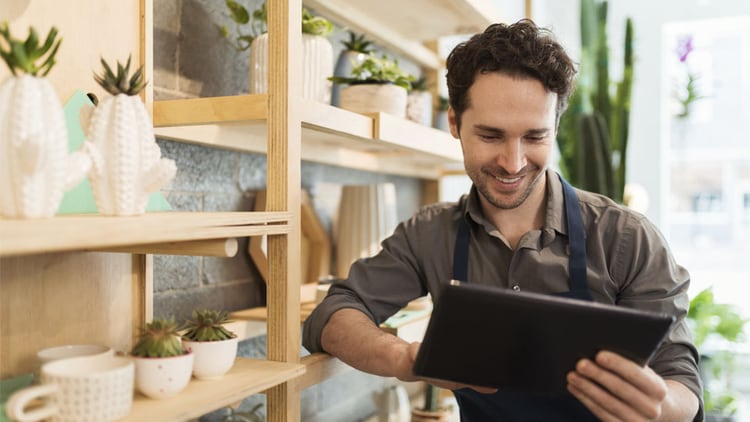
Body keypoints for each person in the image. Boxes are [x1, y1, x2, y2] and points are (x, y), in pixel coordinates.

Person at [303, 19, 702, 421]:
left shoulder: (627, 238)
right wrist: (408, 358)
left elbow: (681, 384)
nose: (513, 163)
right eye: (491, 136)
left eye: (534, 137)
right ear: (455, 125)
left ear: (555, 127)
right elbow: (333, 314)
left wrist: (660, 405)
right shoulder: (428, 234)